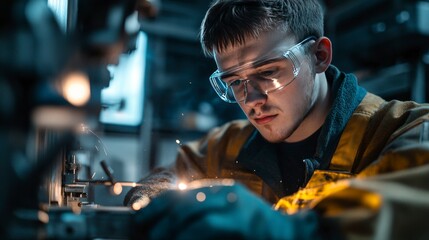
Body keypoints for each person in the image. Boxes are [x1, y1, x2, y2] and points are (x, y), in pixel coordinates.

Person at [125, 0, 429, 238]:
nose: (252, 100)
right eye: (234, 82)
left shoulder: (406, 130)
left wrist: (299, 232)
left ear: (319, 56)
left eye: (269, 72)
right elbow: (168, 176)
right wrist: (151, 202)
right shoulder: (226, 145)